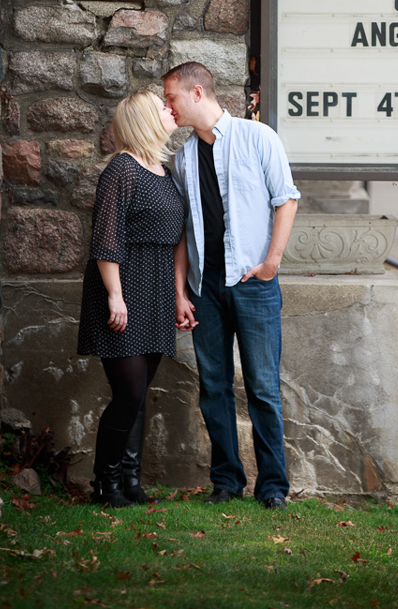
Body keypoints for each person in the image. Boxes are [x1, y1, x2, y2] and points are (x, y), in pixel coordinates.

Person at [163, 61, 300, 510]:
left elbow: (286, 200)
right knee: (214, 387)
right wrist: (182, 292)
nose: (169, 107)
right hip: (206, 290)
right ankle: (225, 482)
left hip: (253, 285)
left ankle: (273, 487)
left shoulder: (258, 138)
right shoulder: (183, 158)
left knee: (262, 387)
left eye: (172, 98)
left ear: (197, 93)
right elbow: (184, 232)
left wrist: (270, 264)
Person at [77, 89, 187, 508]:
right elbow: (106, 241)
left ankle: (130, 482)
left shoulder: (162, 170)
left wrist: (177, 295)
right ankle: (105, 484)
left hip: (156, 290)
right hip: (122, 290)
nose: (169, 109)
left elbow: (176, 239)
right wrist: (115, 296)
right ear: (144, 119)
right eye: (162, 107)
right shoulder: (120, 171)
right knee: (128, 393)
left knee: (138, 394)